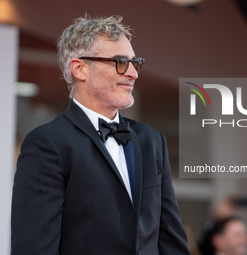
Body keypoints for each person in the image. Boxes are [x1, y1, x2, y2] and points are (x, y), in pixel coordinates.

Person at [11, 15, 190, 255]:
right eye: (119, 62)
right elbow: (34, 248)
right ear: (80, 68)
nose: (133, 74)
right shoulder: (47, 143)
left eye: (134, 62)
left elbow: (171, 241)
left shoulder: (152, 141)